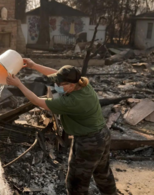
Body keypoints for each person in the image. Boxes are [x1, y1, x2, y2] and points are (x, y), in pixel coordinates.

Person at [6, 58, 117, 195]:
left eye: (60, 84)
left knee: (76, 182)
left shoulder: (72, 102)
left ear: (71, 85)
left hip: (89, 142)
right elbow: (56, 74)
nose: (56, 85)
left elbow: (36, 100)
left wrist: (19, 84)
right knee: (102, 173)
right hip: (102, 135)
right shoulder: (83, 84)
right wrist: (34, 66)